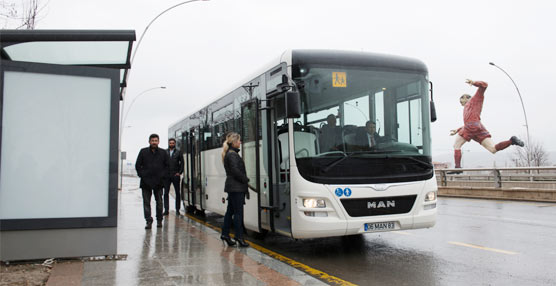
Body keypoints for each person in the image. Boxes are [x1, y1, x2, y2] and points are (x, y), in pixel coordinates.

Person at [450, 79, 524, 170]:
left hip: (471, 127)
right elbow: (467, 124)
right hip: (477, 127)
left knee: (456, 145)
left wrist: (474, 83)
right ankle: (511, 141)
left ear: (466, 98)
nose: (461, 101)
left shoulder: (475, 99)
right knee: (493, 149)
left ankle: (457, 168)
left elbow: (484, 85)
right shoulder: (466, 109)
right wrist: (457, 130)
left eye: (462, 98)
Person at [220, 132, 249, 247]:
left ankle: (225, 234)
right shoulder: (232, 155)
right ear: (234, 142)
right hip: (236, 187)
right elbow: (235, 171)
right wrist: (245, 179)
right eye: (239, 141)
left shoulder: (230, 153)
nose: (240, 142)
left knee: (230, 212)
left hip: (233, 187)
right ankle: (239, 237)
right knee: (238, 213)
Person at [135, 134, 169, 229]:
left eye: (156, 140)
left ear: (158, 142)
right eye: (152, 140)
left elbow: (167, 166)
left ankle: (159, 220)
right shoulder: (143, 152)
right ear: (149, 141)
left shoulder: (163, 153)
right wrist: (142, 175)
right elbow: (138, 165)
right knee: (146, 202)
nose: (154, 142)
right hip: (146, 182)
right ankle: (148, 221)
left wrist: (163, 176)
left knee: (159, 202)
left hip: (158, 182)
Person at [163, 138, 184, 216]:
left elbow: (182, 163)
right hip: (167, 176)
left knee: (177, 193)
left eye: (173, 143)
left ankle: (177, 210)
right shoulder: (165, 152)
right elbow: (162, 163)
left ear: (175, 144)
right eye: (170, 143)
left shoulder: (178, 152)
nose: (171, 144)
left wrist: (179, 172)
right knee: (166, 193)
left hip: (175, 175)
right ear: (168, 143)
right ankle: (166, 210)